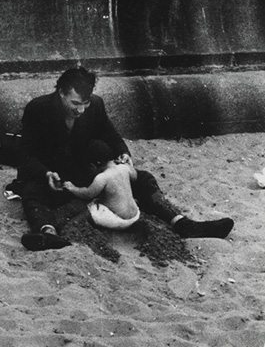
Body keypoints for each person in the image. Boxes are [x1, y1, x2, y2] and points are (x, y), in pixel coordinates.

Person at [17, 67, 234, 251]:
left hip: (85, 169)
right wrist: (45, 173)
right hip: (54, 173)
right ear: (61, 93)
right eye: (75, 103)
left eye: (86, 102)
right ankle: (48, 233)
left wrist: (123, 153)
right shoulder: (38, 109)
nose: (81, 110)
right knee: (31, 190)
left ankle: (181, 223)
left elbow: (110, 134)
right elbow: (25, 153)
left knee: (144, 178)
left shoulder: (96, 106)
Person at [63, 139, 140, 230]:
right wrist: (126, 164)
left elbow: (87, 194)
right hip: (136, 216)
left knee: (91, 209)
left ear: (93, 166)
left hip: (119, 220)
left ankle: (71, 226)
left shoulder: (102, 178)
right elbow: (135, 176)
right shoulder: (123, 168)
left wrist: (72, 188)